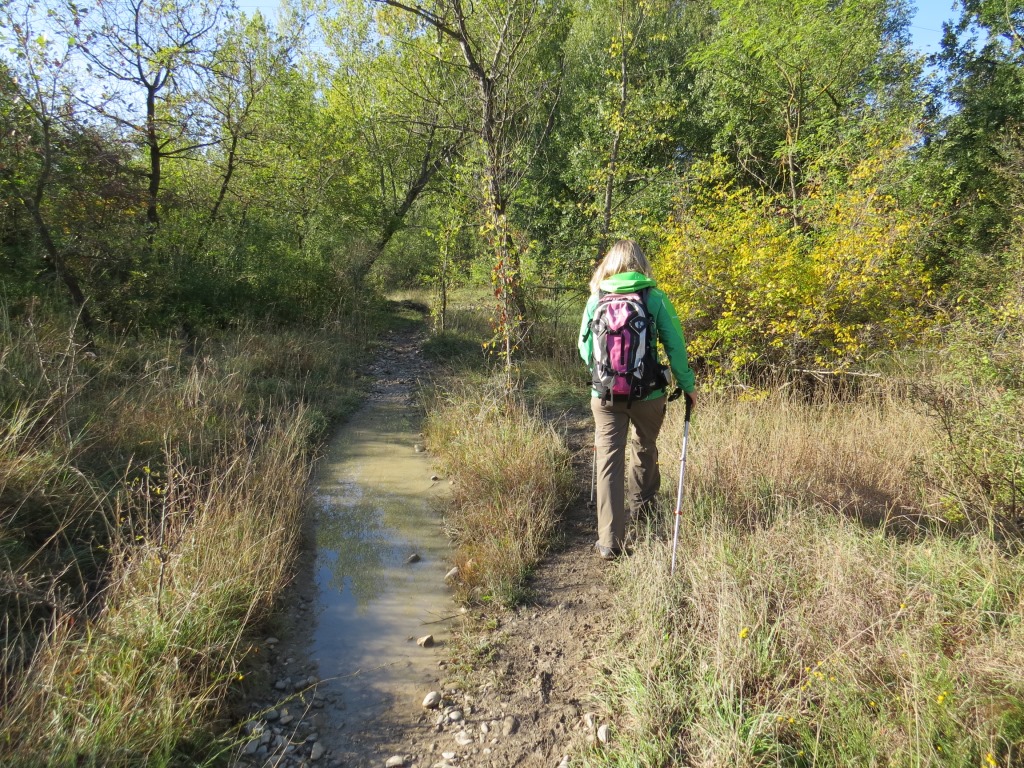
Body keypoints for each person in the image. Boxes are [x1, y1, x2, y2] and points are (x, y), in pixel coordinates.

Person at [577, 239, 697, 559]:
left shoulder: (596, 298)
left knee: (609, 462)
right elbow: (675, 347)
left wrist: (606, 374)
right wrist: (688, 386)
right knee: (644, 449)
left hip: (604, 395)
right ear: (641, 263)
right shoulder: (654, 297)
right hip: (649, 394)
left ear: (609, 263)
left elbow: (585, 350)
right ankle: (644, 518)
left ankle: (609, 542)